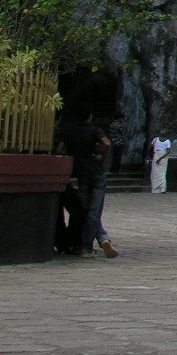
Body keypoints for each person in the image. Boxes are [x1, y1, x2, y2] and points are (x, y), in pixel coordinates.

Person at [58, 111, 118, 258]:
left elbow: (60, 149)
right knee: (94, 211)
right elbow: (107, 143)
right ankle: (91, 243)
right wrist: (102, 159)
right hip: (96, 172)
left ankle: (96, 240)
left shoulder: (69, 131)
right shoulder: (94, 130)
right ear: (90, 116)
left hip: (81, 174)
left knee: (85, 210)